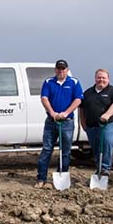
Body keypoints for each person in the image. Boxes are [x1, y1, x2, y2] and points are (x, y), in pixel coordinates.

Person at [35, 59, 83, 189]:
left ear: (67, 70)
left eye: (63, 69)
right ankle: (41, 178)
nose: (60, 71)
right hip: (51, 121)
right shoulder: (48, 82)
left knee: (65, 151)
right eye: (58, 69)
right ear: (55, 70)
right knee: (46, 150)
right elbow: (44, 98)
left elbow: (78, 99)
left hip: (67, 122)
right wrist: (52, 113)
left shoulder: (74, 82)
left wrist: (66, 113)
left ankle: (62, 176)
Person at [79, 69, 113, 177]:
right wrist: (83, 122)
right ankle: (99, 168)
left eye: (103, 78)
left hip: (109, 123)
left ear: (108, 79)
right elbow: (82, 109)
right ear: (95, 78)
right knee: (96, 147)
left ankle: (105, 168)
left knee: (107, 141)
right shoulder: (88, 93)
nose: (101, 80)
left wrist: (107, 115)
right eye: (99, 77)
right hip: (92, 125)